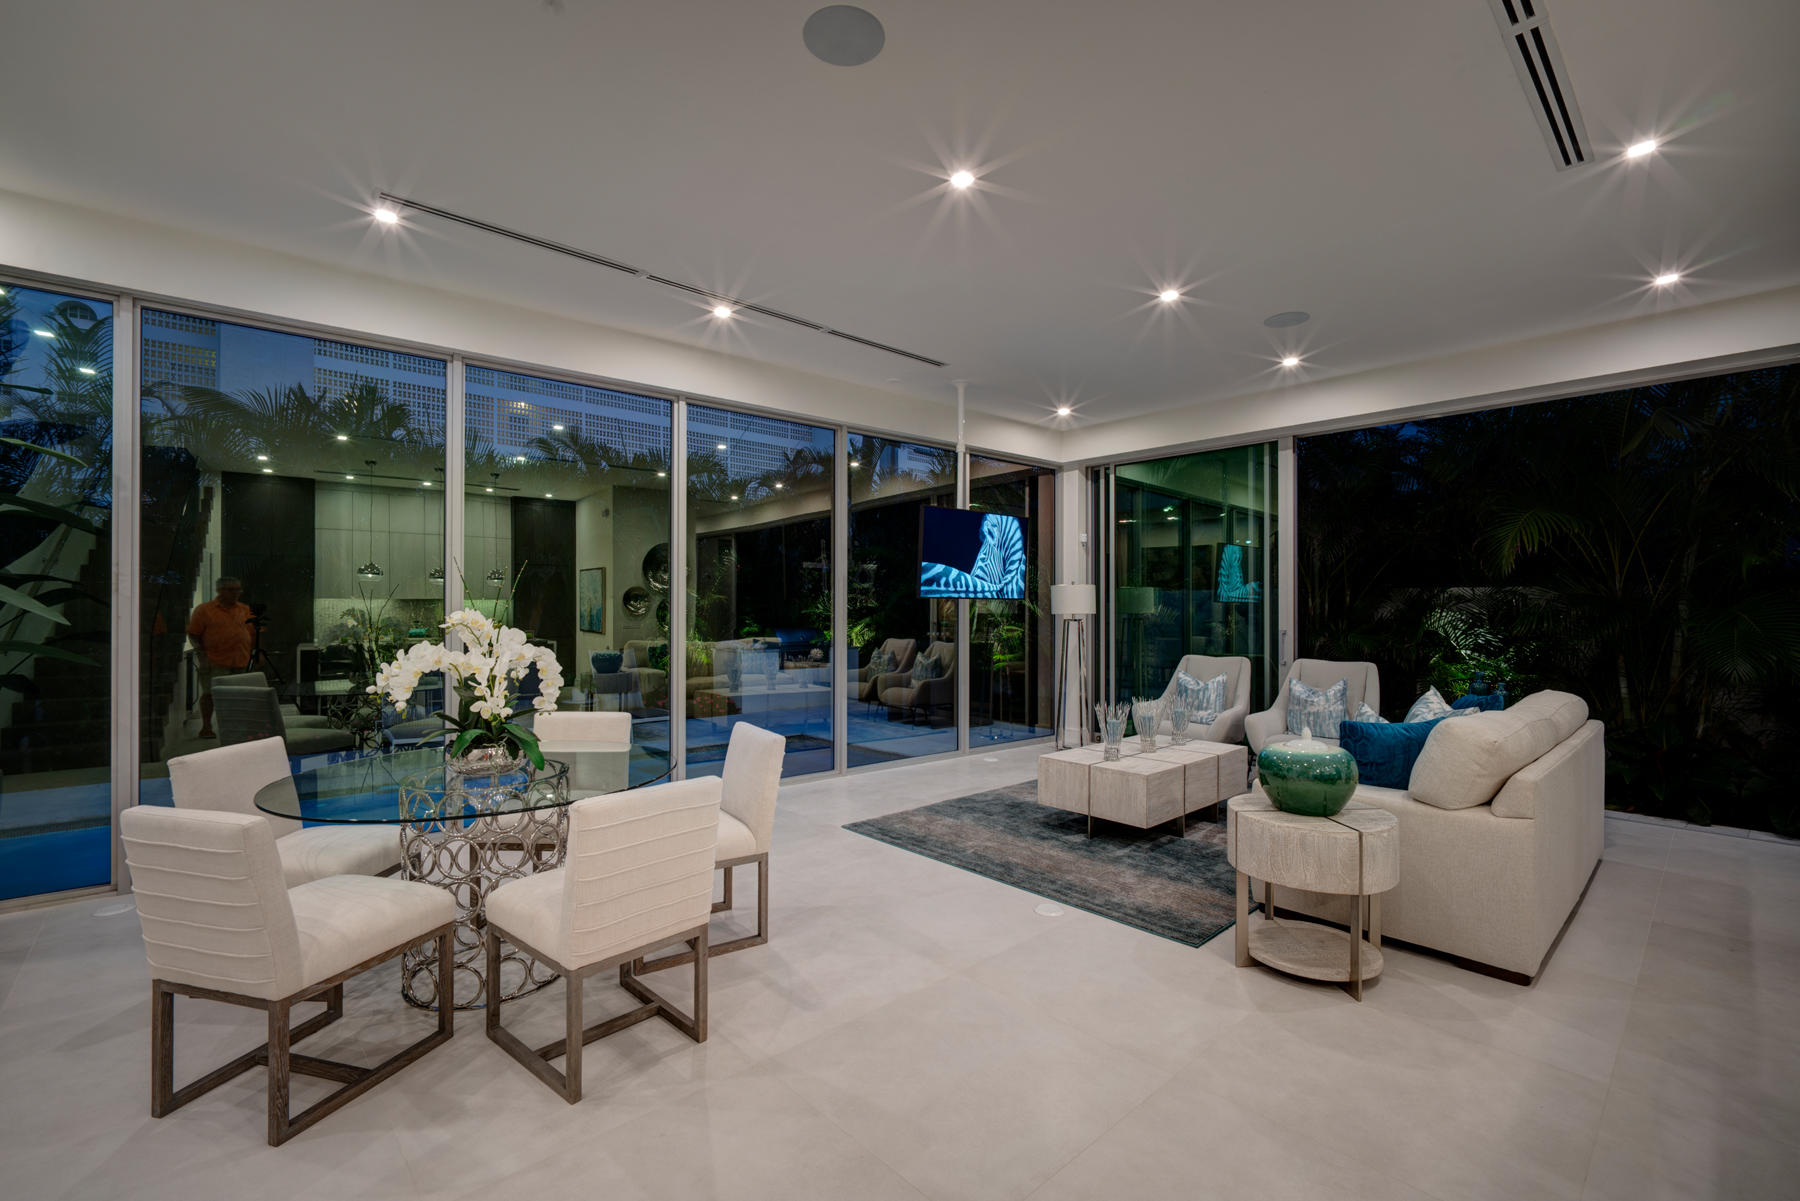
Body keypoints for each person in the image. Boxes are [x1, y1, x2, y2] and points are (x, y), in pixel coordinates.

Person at [186, 576, 253, 738]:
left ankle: (233, 727)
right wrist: (202, 656)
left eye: (238, 589)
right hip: (214, 661)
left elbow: (251, 632)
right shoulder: (204, 610)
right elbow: (193, 634)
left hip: (240, 660)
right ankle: (206, 727)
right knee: (210, 694)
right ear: (220, 591)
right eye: (231, 590)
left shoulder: (244, 609)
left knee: (237, 695)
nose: (236, 593)